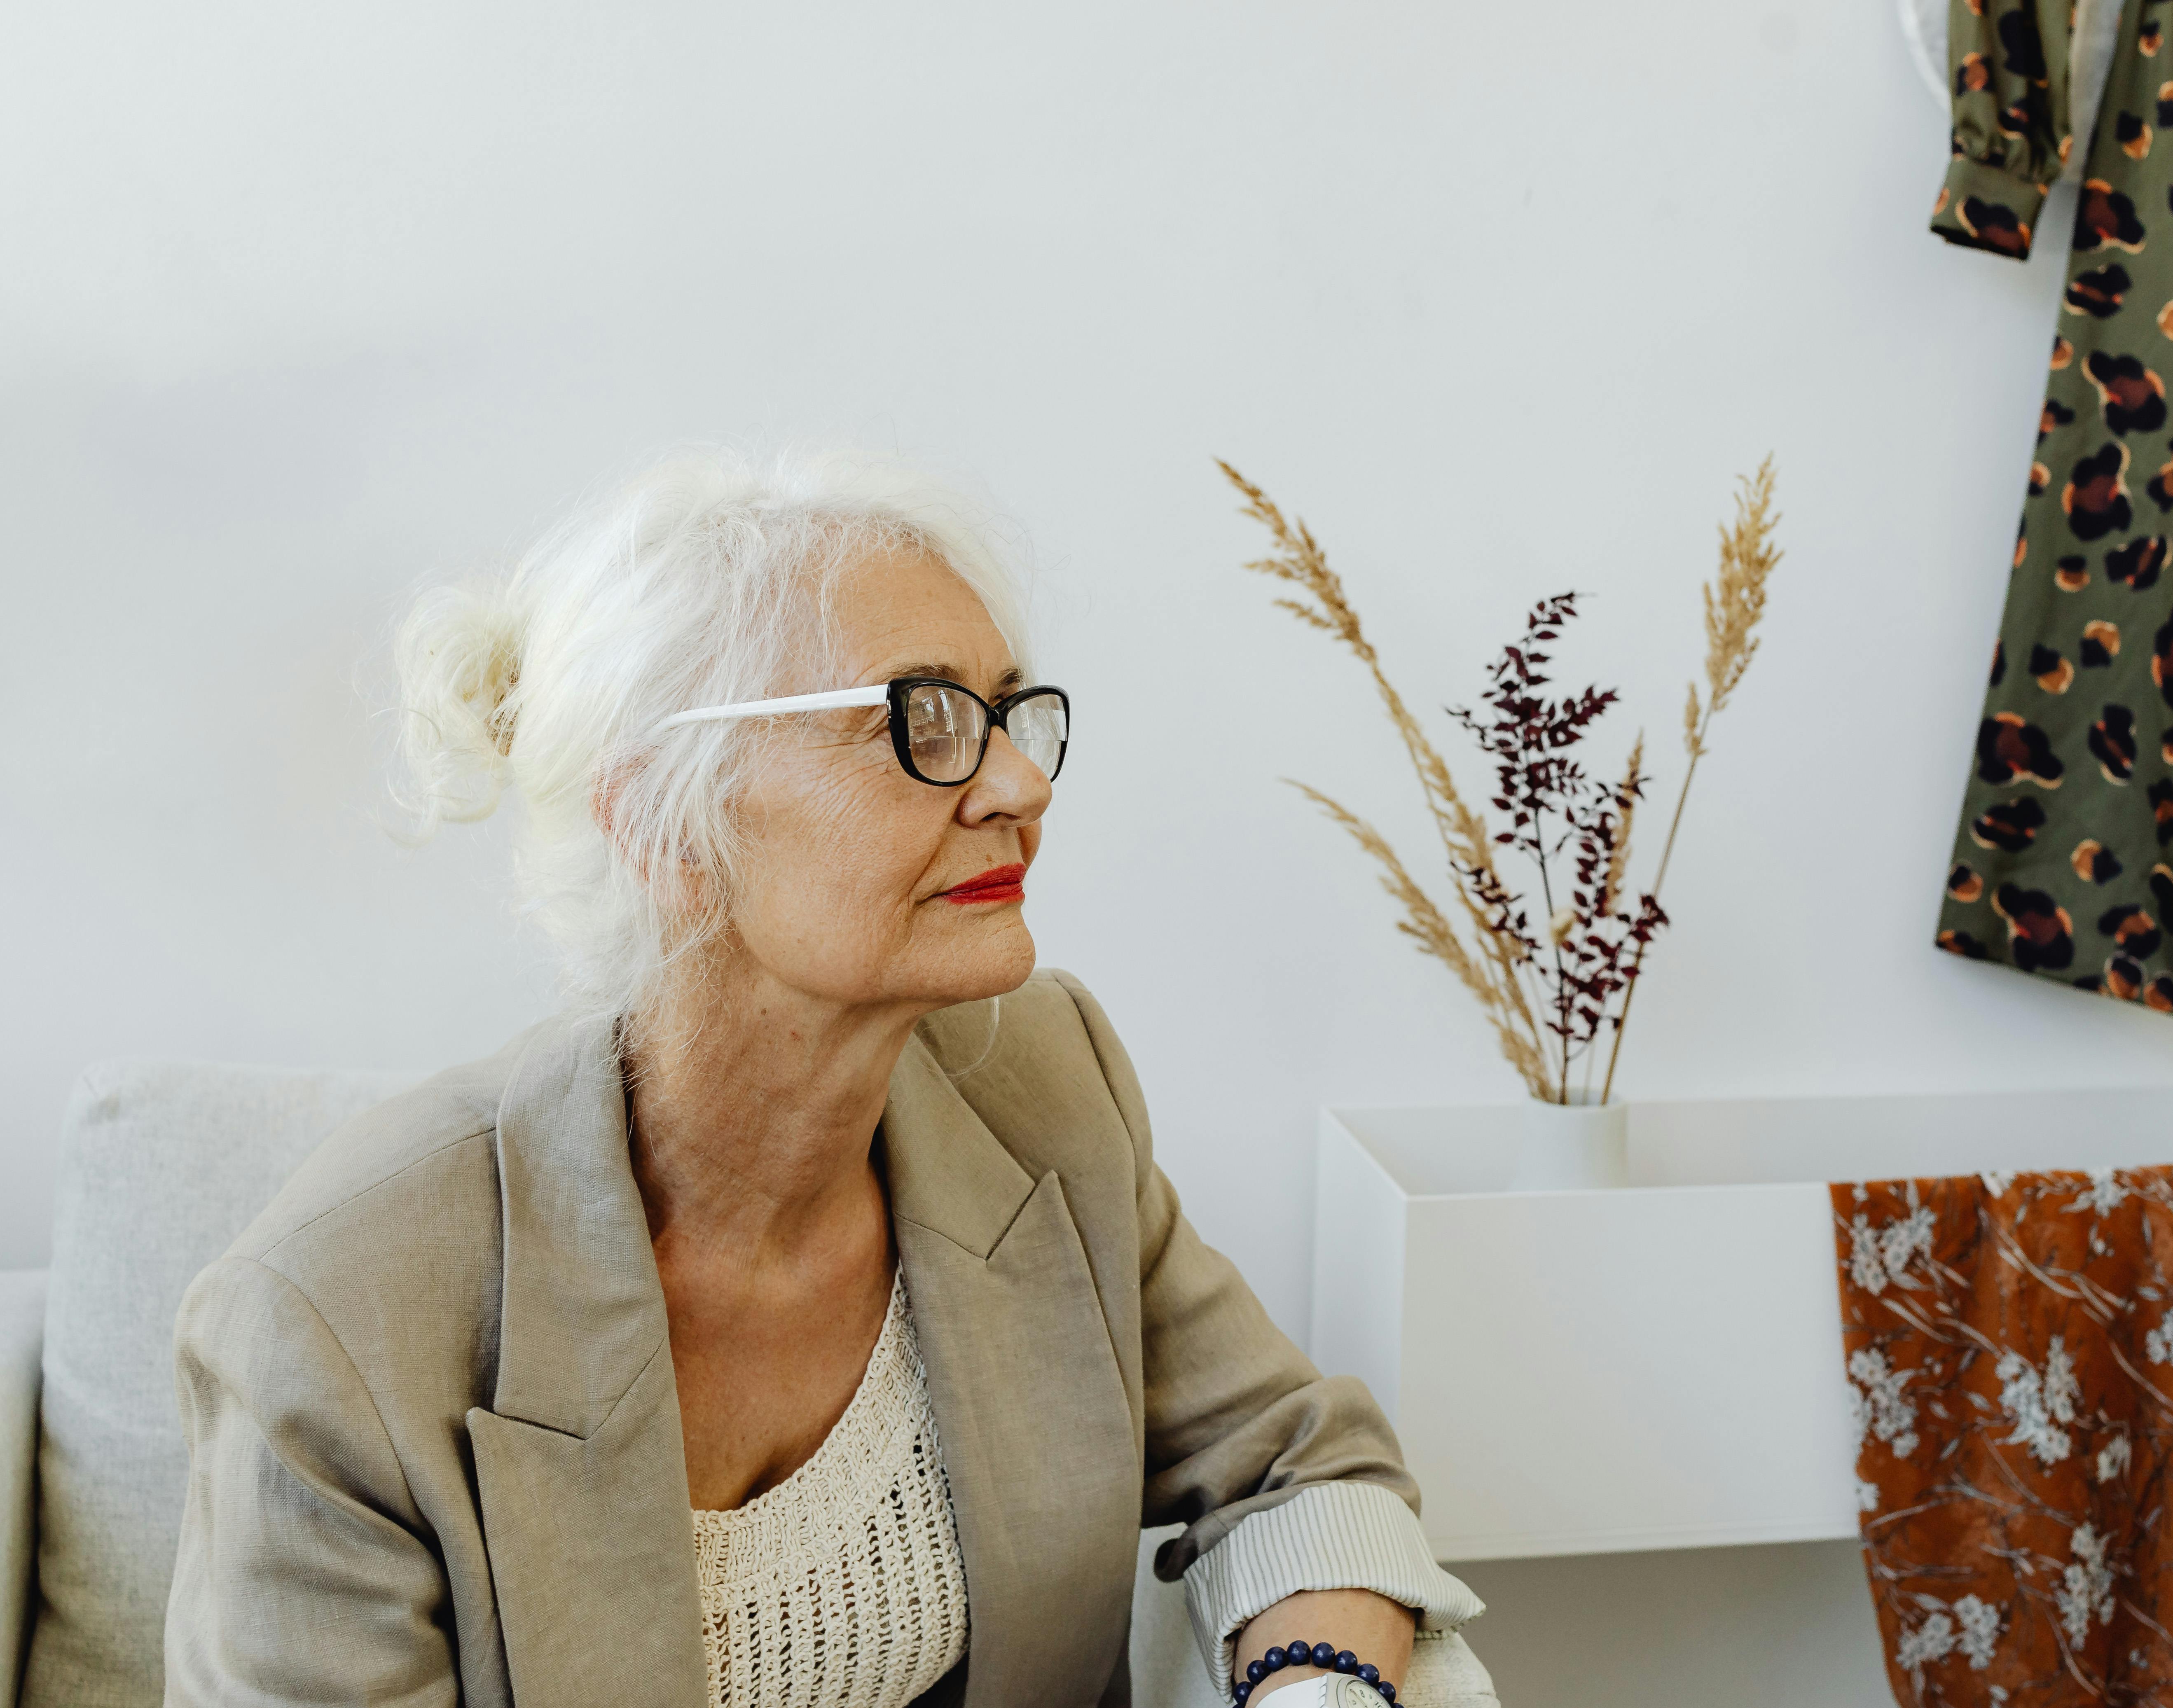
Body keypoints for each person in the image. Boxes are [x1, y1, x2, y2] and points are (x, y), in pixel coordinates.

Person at [162, 450, 1493, 1708]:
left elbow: (1298, 1461)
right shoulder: (333, 1325)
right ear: (666, 824)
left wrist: (1316, 1688)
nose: (1019, 786)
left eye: (1007, 713)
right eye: (922, 718)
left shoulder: (1044, 1085)